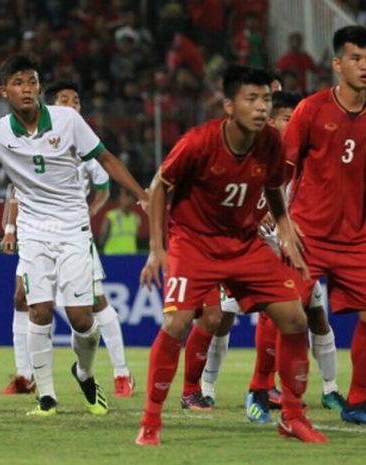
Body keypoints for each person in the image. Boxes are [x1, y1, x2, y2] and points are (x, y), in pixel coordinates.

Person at [0, 55, 148, 416]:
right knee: (38, 310)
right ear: (5, 91)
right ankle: (45, 396)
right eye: (18, 83)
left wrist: (141, 194)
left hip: (73, 229)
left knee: (82, 318)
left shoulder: (67, 120)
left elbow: (107, 158)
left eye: (32, 82)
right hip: (34, 232)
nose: (27, 89)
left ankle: (83, 372)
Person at [138, 65, 327, 445]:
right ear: (229, 105)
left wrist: (286, 229)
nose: (261, 108)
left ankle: (292, 416)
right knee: (177, 324)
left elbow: (274, 190)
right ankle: (150, 421)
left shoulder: (271, 144)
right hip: (194, 242)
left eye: (266, 100)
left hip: (244, 242)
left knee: (293, 317)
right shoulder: (198, 142)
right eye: (251, 99)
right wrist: (157, 249)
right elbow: (159, 186)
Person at [199, 91, 345, 421]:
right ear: (272, 121)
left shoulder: (306, 157)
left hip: (290, 250)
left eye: (297, 119)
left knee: (314, 316)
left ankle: (329, 389)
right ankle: (211, 389)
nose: (294, 124)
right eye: (286, 118)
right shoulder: (250, 153)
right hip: (245, 250)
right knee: (223, 318)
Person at [0, 80, 135, 398]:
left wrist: (88, 212)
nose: (70, 105)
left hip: (72, 233)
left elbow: (103, 187)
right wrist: (9, 229)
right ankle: (25, 375)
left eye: (75, 100)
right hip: (36, 232)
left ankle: (121, 372)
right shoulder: (34, 141)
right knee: (22, 298)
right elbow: (17, 188)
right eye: (64, 99)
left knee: (95, 303)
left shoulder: (86, 148)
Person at [283, 25, 366, 425]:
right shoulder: (311, 109)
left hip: (356, 239)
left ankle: (359, 401)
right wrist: (280, 222)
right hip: (307, 234)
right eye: (356, 58)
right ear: (337, 64)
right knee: (289, 313)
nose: (364, 66)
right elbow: (282, 169)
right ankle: (268, 393)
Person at [100, 189, 141, 255]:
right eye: (126, 196)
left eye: (132, 197)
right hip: (113, 256)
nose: (130, 199)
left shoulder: (136, 218)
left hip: (131, 257)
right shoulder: (111, 216)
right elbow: (101, 239)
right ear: (119, 198)